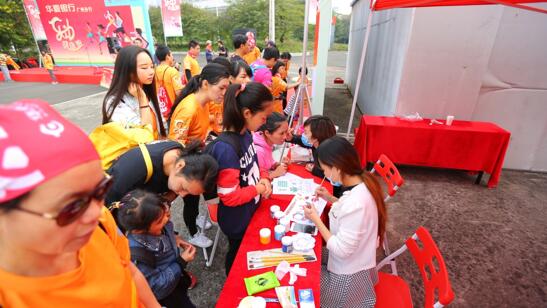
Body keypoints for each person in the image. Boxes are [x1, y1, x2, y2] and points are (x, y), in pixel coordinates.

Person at [0, 99, 160, 307]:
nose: (95, 212)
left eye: (101, 189)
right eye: (72, 207)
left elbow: (127, 268)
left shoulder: (102, 223)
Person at [303, 136, 387, 308]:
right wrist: (329, 197)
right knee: (309, 255)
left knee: (306, 282)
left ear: (337, 168)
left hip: (348, 274)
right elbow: (348, 211)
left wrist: (316, 220)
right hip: (356, 256)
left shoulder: (356, 203)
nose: (324, 174)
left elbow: (341, 250)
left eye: (325, 169)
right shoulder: (363, 182)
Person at [207, 82, 274, 275]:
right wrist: (259, 189)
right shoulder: (226, 149)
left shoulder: (246, 134)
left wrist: (263, 177)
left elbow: (253, 162)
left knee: (249, 254)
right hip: (237, 219)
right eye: (263, 117)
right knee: (237, 256)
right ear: (247, 113)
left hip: (250, 208)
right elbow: (230, 197)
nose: (264, 122)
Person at [105, 138, 219, 249]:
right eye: (183, 188)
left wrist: (170, 234)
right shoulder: (134, 172)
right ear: (180, 166)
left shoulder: (183, 157)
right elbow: (106, 212)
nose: (183, 195)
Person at [167, 63, 229, 247]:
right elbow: (173, 145)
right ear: (205, 84)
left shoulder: (205, 103)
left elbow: (205, 129)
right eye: (221, 88)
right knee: (190, 200)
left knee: (199, 194)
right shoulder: (188, 108)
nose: (224, 92)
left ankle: (197, 219)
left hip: (196, 157)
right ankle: (193, 233)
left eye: (226, 88)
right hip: (187, 165)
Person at [117, 190, 197, 307]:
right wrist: (181, 261)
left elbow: (165, 227)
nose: (166, 219)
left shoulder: (156, 219)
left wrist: (174, 237)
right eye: (160, 221)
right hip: (168, 296)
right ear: (140, 230)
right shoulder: (137, 256)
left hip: (177, 280)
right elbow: (156, 286)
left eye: (166, 214)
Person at [102, 45, 166, 139]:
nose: (151, 71)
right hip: (140, 151)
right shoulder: (114, 102)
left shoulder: (148, 91)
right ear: (127, 70)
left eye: (152, 66)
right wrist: (142, 101)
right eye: (144, 68)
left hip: (157, 148)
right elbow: (143, 137)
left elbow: (160, 127)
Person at [288, 115, 340, 195]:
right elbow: (301, 140)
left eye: (305, 132)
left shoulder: (331, 154)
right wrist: (291, 138)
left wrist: (315, 170)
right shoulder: (317, 143)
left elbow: (336, 180)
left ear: (316, 136)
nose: (303, 135)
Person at [253, 112, 290, 179]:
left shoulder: (267, 142)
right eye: (281, 133)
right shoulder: (259, 151)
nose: (285, 137)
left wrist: (276, 165)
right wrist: (274, 174)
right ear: (267, 133)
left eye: (286, 132)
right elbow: (257, 181)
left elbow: (267, 163)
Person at [155, 45, 183, 110]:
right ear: (167, 56)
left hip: (161, 108)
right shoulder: (172, 71)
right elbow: (179, 92)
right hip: (172, 108)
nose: (172, 57)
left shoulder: (154, 70)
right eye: (171, 55)